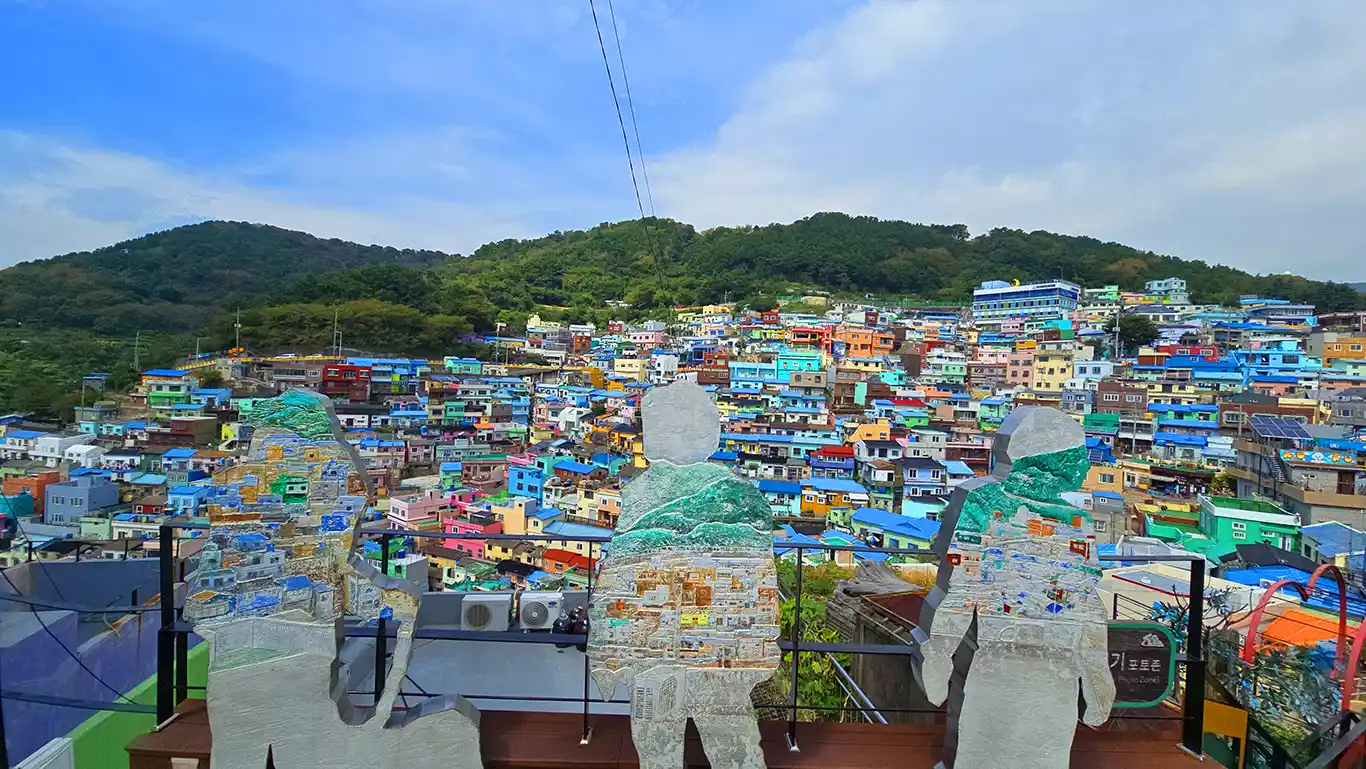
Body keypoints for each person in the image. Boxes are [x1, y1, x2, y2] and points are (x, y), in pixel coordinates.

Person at [588, 382, 781, 769]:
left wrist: (608, 652)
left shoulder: (644, 494)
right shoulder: (743, 496)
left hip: (663, 649)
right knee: (724, 734)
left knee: (664, 737)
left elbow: (615, 582)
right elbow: (763, 578)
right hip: (717, 648)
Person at [917, 407, 1115, 769]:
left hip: (1004, 662)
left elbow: (960, 590)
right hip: (1048, 669)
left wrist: (939, 655)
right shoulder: (1073, 523)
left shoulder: (989, 506)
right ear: (1054, 462)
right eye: (1079, 457)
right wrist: (1098, 676)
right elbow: (1087, 608)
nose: (1086, 468)